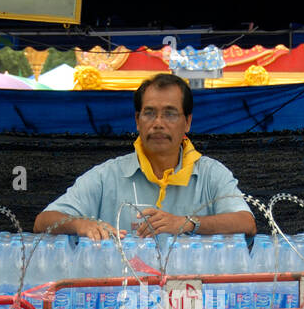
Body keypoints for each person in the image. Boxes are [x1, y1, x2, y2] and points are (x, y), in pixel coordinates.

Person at [34, 73, 256, 240]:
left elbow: (246, 222)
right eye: (149, 113)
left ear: (187, 122)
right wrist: (80, 225)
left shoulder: (211, 174)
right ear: (137, 120)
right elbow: (43, 221)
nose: (158, 123)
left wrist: (187, 223)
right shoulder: (107, 175)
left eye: (170, 114)